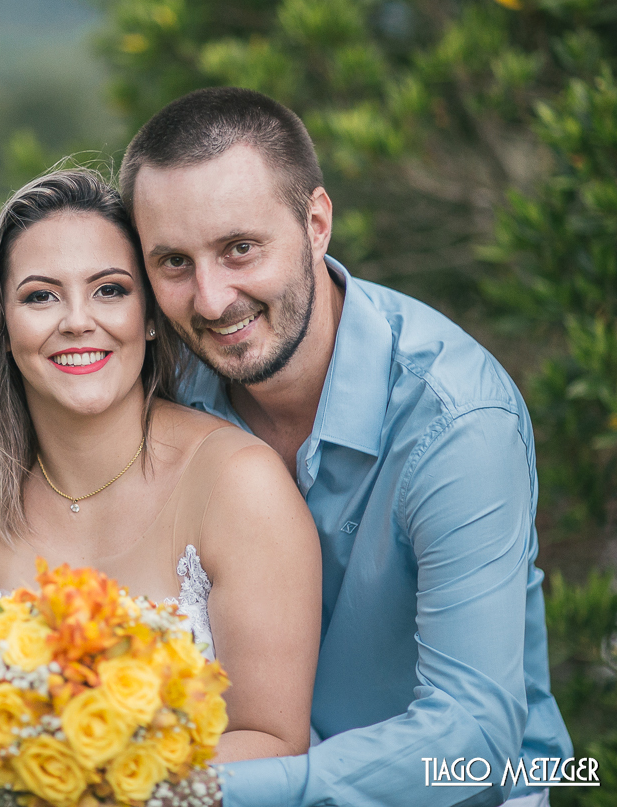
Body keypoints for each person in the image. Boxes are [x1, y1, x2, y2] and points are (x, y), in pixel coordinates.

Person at [120, 86, 573, 807]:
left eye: (240, 249)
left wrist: (207, 789)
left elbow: (476, 739)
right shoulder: (163, 398)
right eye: (174, 263)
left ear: (316, 223)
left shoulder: (457, 421)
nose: (210, 300)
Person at [0, 168, 322, 801]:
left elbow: (270, 737)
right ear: (2, 321)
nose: (77, 321)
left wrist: (100, 788)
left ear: (151, 316)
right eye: (40, 296)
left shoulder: (238, 483)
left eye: (109, 290)